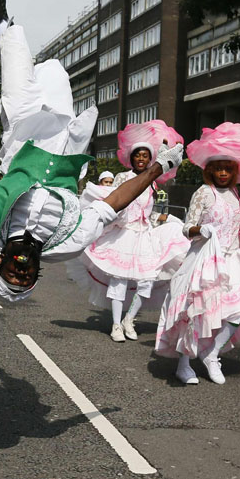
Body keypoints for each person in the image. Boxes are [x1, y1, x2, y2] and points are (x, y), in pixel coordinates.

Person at [0, 0, 184, 301]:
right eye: (25, 277)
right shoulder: (67, 244)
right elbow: (111, 203)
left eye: (12, 273)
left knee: (17, 56)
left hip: (21, 131)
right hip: (65, 139)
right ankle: (9, 35)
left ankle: (0, 23)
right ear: (35, 274)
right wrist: (158, 168)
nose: (21, 269)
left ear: (0, 261)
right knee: (55, 69)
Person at [155, 123, 240, 385]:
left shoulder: (234, 193)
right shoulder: (203, 193)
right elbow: (187, 228)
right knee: (197, 312)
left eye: (227, 168)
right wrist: (201, 229)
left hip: (233, 259)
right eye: (218, 168)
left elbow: (236, 225)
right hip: (204, 261)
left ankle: (212, 353)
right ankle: (184, 364)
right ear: (209, 170)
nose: (222, 172)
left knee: (237, 312)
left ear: (235, 171)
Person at [68, 120, 191, 342]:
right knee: (119, 280)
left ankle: (129, 320)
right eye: (138, 156)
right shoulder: (122, 178)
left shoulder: (153, 183)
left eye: (145, 156)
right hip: (123, 233)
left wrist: (167, 219)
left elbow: (150, 212)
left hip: (144, 235)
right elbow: (116, 204)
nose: (142, 159)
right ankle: (116, 324)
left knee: (146, 281)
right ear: (131, 158)